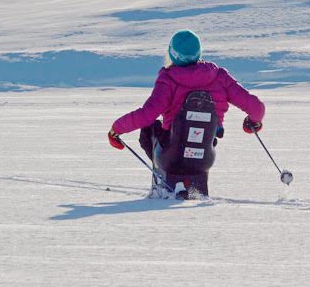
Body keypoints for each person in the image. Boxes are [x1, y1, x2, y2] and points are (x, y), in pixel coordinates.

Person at [107, 29, 265, 195]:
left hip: (170, 157)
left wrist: (116, 129)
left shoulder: (168, 78)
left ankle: (164, 182)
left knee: (150, 128)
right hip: (204, 157)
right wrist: (253, 122)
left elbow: (147, 114)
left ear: (173, 54)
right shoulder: (219, 76)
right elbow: (257, 108)